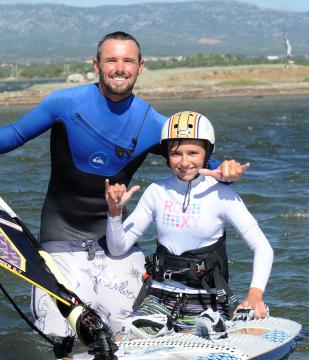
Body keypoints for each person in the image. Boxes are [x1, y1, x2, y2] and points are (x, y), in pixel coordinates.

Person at [0, 31, 248, 354]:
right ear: (97, 64)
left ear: (140, 66)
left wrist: (227, 173)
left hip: (115, 247)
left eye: (127, 61)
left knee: (137, 333)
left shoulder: (152, 123)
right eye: (111, 60)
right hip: (60, 244)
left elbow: (195, 159)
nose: (119, 68)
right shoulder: (64, 103)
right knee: (59, 336)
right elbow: (13, 135)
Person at [105, 111, 273, 339]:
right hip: (158, 298)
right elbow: (118, 248)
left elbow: (262, 247)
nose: (184, 162)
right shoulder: (156, 192)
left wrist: (254, 295)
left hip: (207, 302)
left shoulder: (222, 194)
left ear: (207, 153)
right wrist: (114, 213)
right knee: (124, 339)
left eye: (193, 153)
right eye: (176, 154)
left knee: (201, 341)